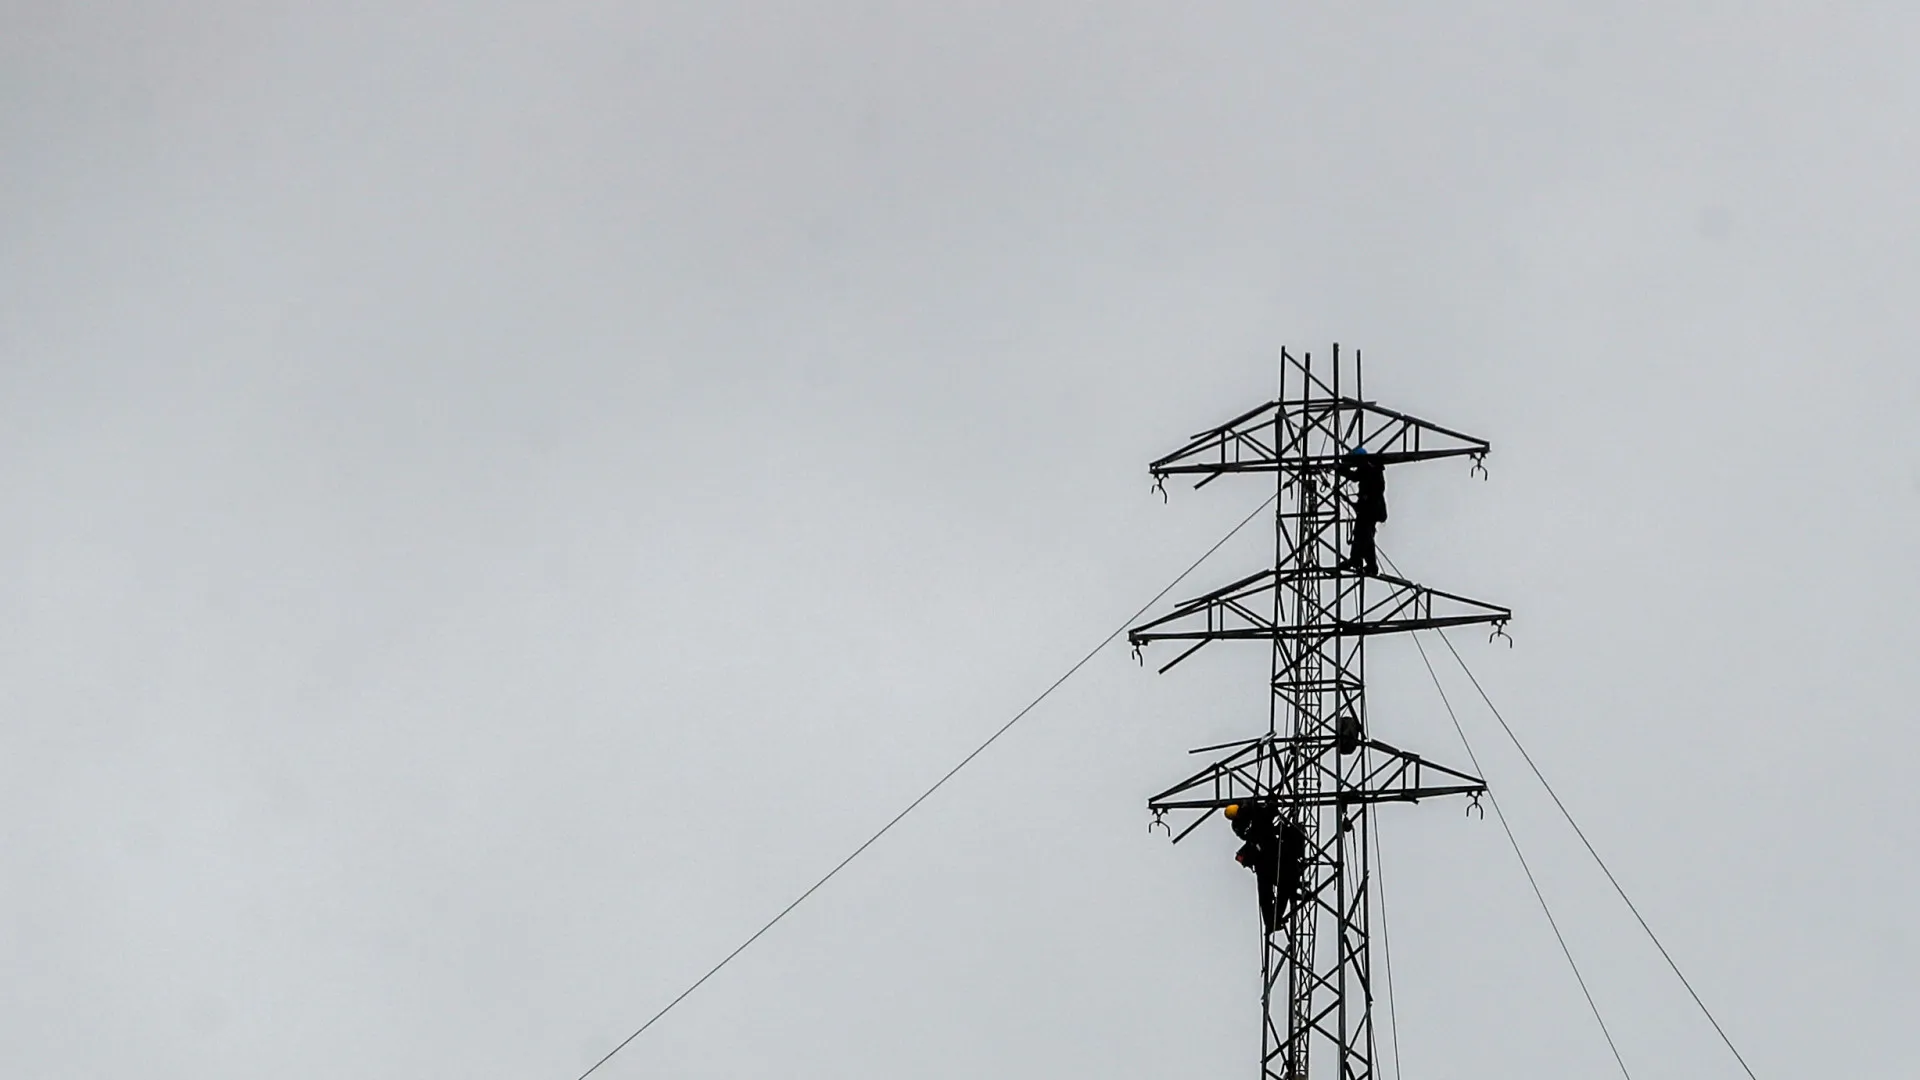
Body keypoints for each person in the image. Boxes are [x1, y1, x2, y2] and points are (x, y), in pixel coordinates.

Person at [1225, 801, 1310, 934]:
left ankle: (1272, 921)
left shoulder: (1244, 821)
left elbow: (1249, 831)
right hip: (1272, 857)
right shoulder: (1253, 814)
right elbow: (1270, 812)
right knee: (1284, 884)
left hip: (1266, 860)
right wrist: (1271, 805)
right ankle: (1274, 919)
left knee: (1271, 891)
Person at [1338, 446, 1387, 575]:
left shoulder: (1368, 467)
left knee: (1364, 536)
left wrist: (1341, 469)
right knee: (1360, 534)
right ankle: (1356, 559)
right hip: (1370, 509)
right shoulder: (1372, 467)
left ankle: (1370, 565)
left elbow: (1355, 476)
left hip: (1370, 509)